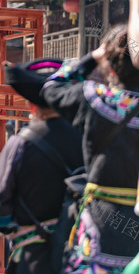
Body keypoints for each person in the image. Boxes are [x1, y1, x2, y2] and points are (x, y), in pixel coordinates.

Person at [40, 27, 139, 274]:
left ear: (110, 66)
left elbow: (51, 88)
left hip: (101, 219)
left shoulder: (94, 99)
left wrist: (92, 58)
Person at [0, 58, 84, 273]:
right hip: (80, 256)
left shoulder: (19, 144)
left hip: (33, 259)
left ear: (31, 105)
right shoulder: (88, 141)